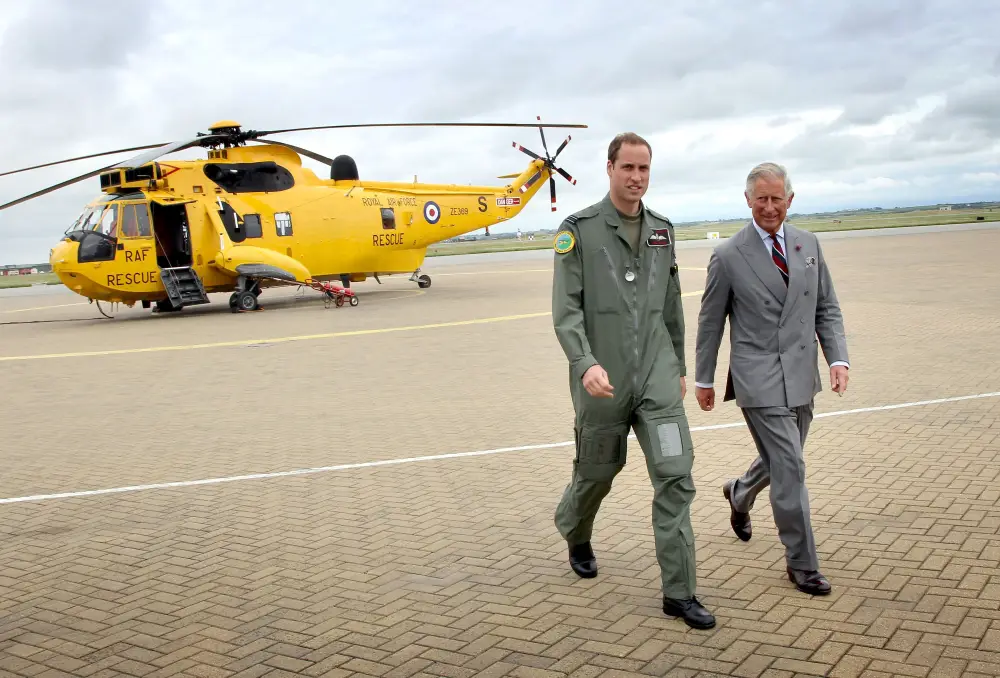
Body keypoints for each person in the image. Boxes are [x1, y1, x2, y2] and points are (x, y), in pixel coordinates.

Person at [551, 132, 715, 629]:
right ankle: (574, 528)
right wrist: (585, 363)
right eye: (628, 168)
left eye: (644, 169)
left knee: (675, 474)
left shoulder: (663, 230)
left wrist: (680, 368)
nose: (637, 177)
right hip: (602, 380)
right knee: (598, 470)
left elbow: (671, 308)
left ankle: (679, 592)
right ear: (610, 168)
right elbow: (566, 311)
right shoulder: (578, 230)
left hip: (658, 379)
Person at [694, 162, 850, 596]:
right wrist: (704, 379)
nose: (768, 207)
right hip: (757, 377)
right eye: (760, 198)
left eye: (776, 198)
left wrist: (838, 359)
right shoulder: (728, 255)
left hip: (802, 375)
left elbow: (827, 307)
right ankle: (802, 564)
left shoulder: (808, 244)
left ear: (790, 200)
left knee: (785, 460)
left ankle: (740, 491)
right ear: (747, 200)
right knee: (792, 467)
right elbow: (711, 323)